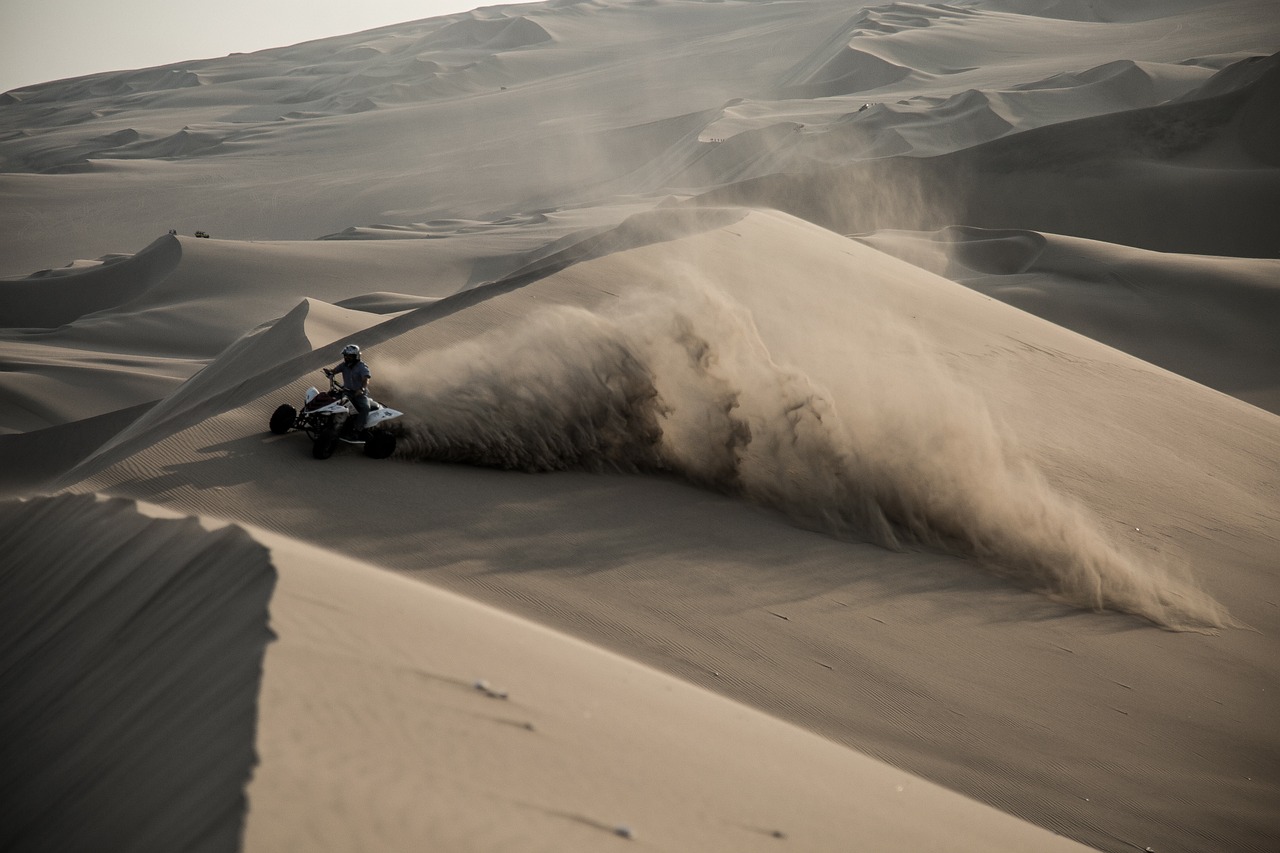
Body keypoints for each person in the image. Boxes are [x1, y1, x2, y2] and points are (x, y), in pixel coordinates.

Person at [323, 344, 372, 436]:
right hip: (347, 391)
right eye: (345, 356)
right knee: (331, 399)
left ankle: (357, 429)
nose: (347, 358)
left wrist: (361, 389)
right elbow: (334, 370)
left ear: (356, 356)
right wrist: (330, 372)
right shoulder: (344, 365)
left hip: (359, 394)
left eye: (349, 356)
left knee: (365, 408)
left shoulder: (362, 367)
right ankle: (325, 421)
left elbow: (366, 379)